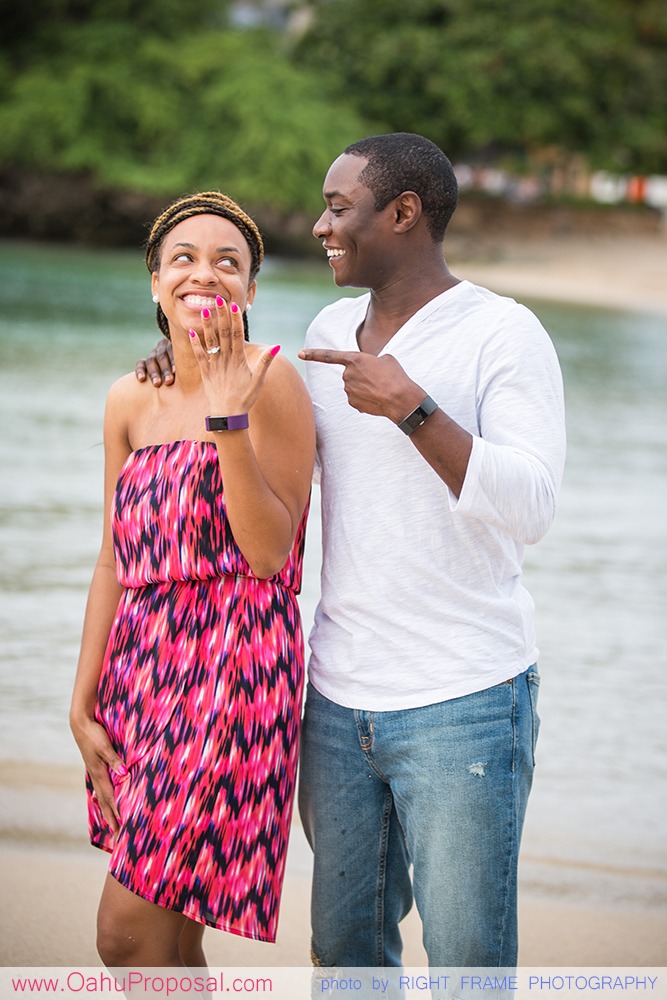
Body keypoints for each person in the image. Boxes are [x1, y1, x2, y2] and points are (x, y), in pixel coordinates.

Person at [137, 134, 566, 971]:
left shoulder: (503, 334)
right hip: (334, 700)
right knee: (344, 953)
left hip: (464, 696)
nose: (320, 225)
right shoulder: (329, 328)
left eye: (339, 208)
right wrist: (178, 358)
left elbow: (532, 506)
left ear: (402, 213)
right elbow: (245, 406)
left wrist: (414, 410)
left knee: (467, 959)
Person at [70, 190, 315, 969]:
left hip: (235, 669)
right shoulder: (127, 399)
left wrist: (225, 416)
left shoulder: (269, 383)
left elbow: (271, 554)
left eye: (227, 262)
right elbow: (115, 556)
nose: (202, 274)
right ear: (153, 281)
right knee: (167, 936)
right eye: (182, 258)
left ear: (248, 290)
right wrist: (81, 701)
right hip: (142, 670)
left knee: (123, 932)